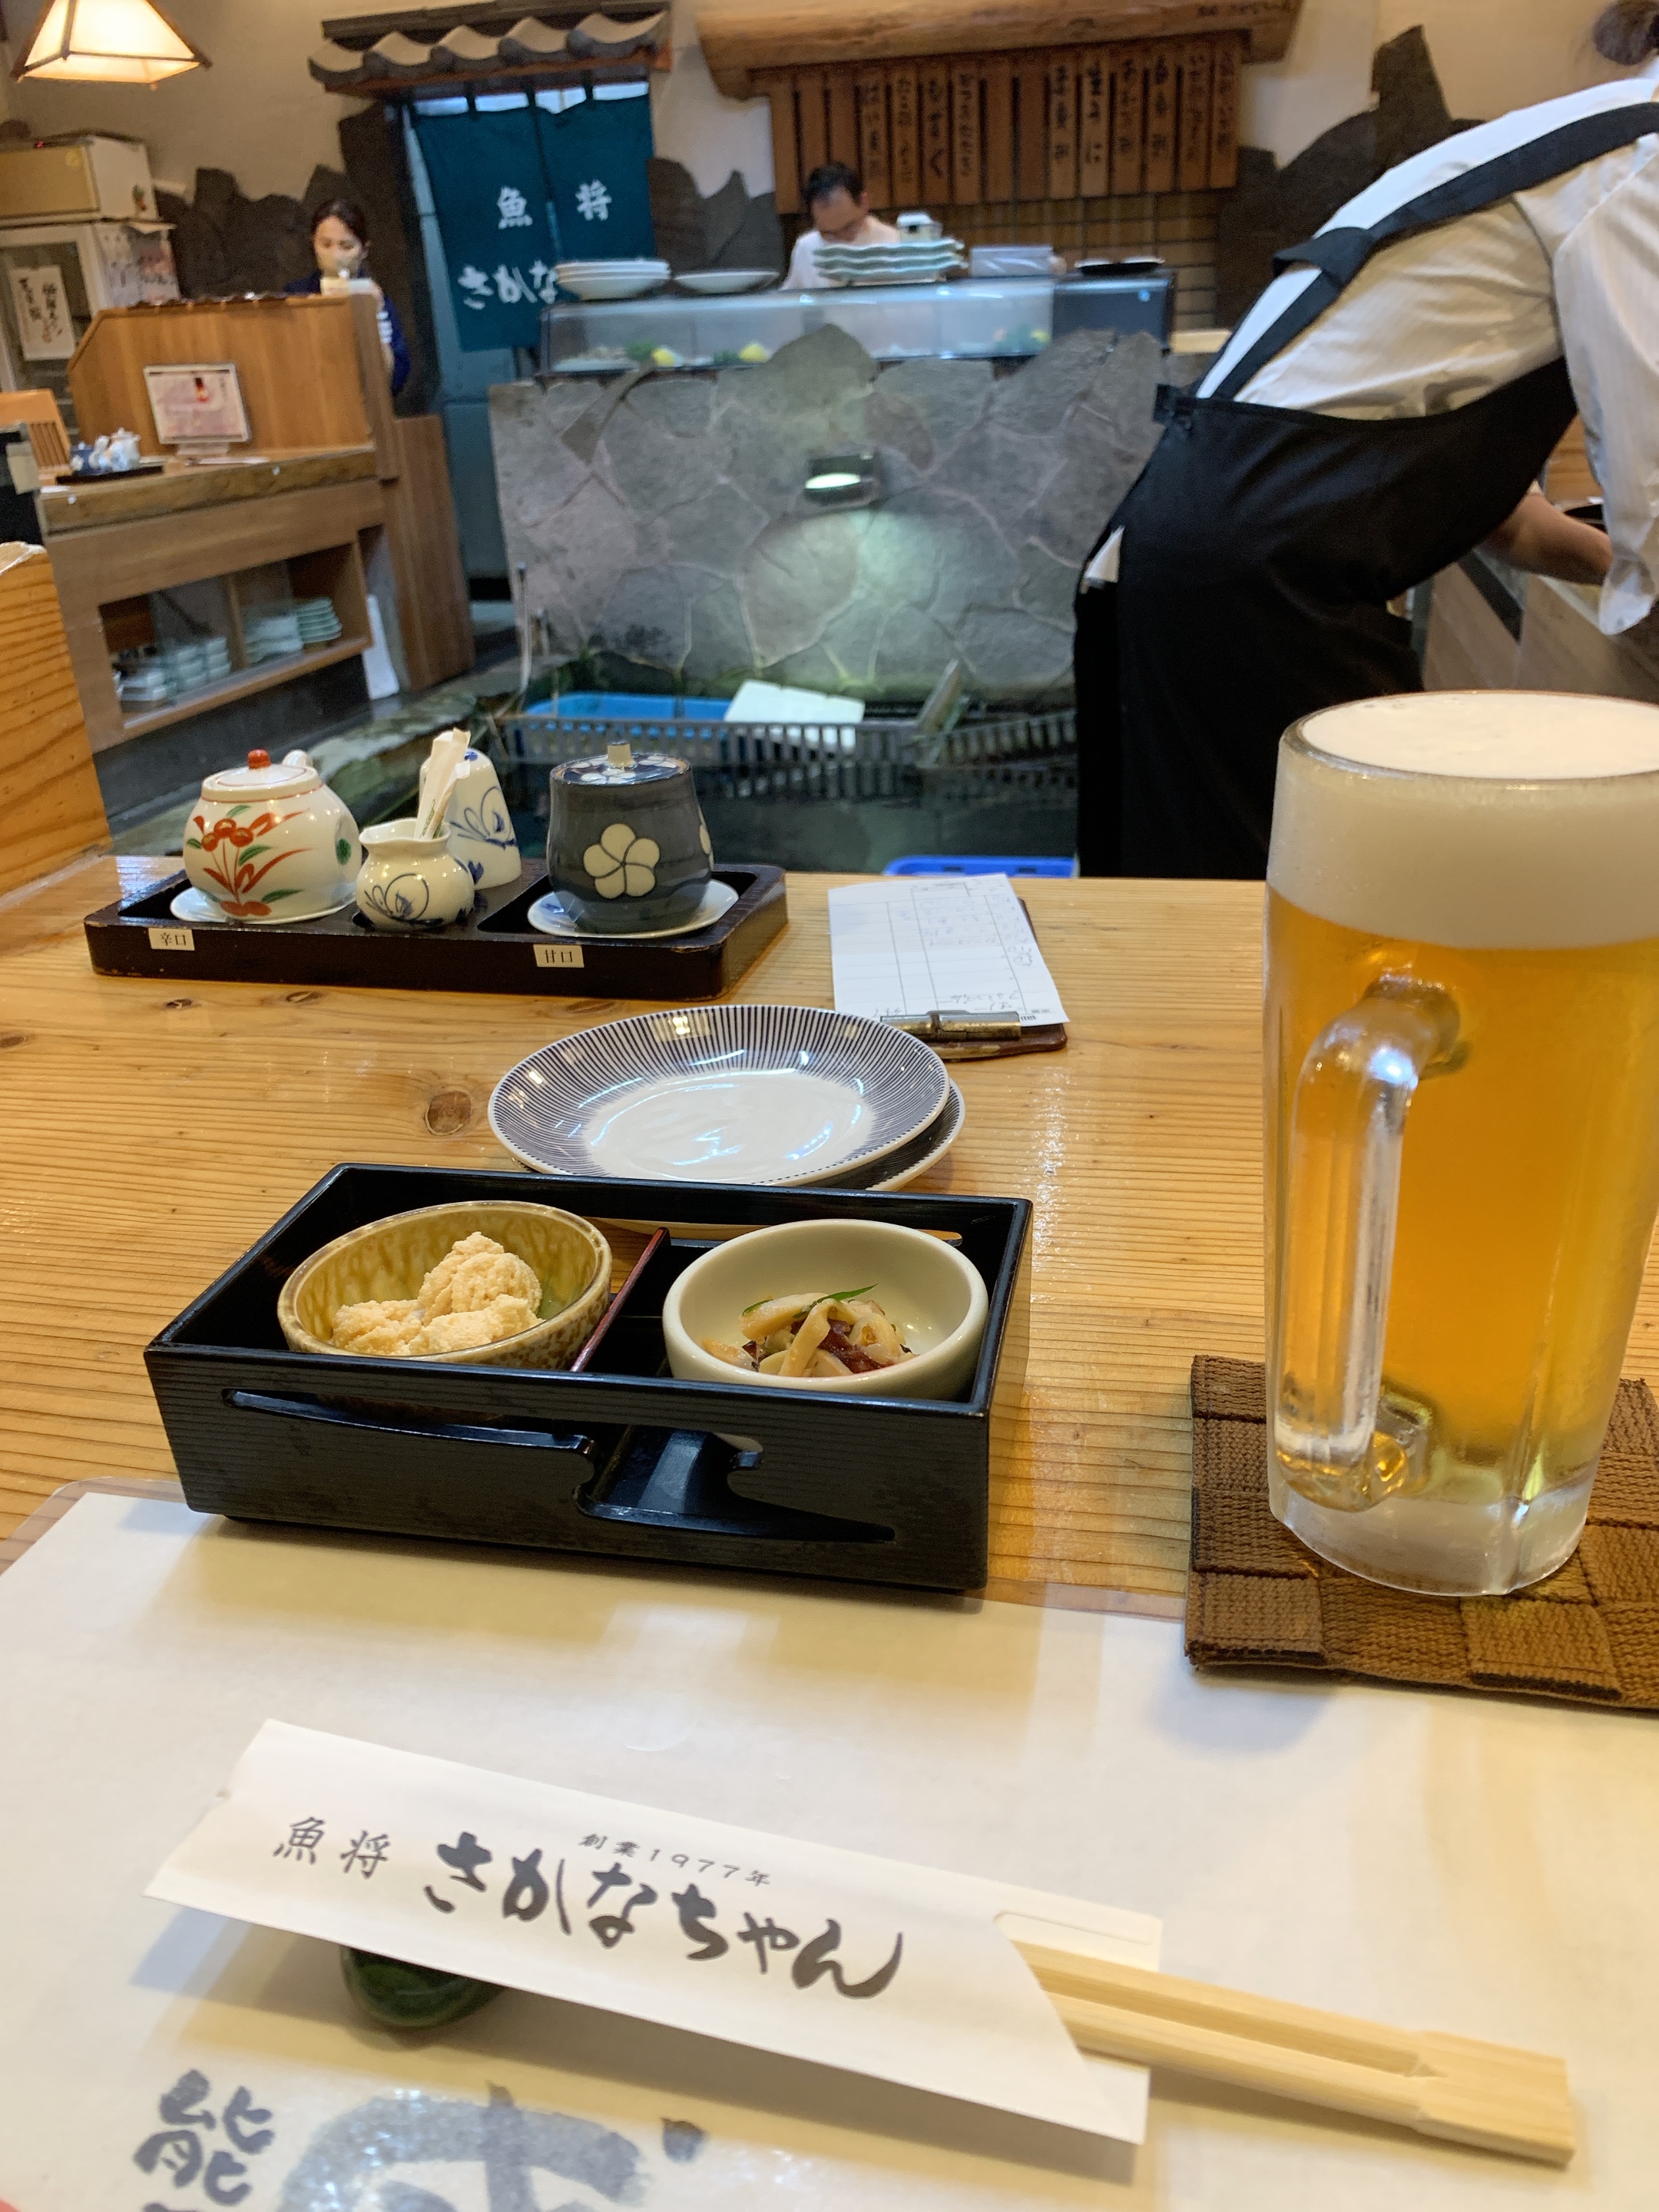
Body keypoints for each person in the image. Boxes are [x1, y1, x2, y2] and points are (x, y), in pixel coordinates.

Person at [1074, 2, 1659, 879]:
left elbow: (1509, 517)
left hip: (1212, 548)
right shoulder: (1639, 166)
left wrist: (1611, 565)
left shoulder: (1581, 143)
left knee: (1258, 890)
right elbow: (1654, 500)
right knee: (1336, 898)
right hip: (1264, 574)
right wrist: (1634, 576)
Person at [286, 199, 410, 397]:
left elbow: (394, 380)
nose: (335, 255)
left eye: (346, 246)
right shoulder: (296, 295)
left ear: (364, 250)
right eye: (326, 244)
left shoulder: (376, 298)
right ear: (313, 244)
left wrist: (376, 316)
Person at [784, 162, 899, 289]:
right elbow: (792, 297)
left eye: (849, 228)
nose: (841, 241)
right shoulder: (806, 248)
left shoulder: (895, 244)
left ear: (864, 203)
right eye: (828, 235)